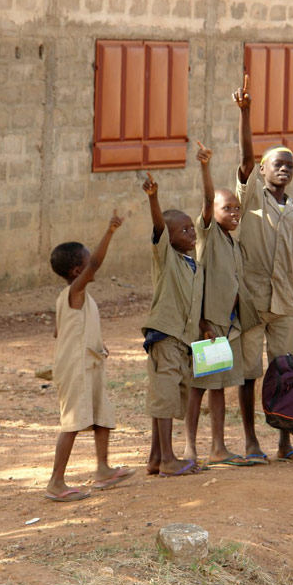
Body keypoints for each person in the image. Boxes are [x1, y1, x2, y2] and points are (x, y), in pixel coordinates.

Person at [233, 75, 293, 465]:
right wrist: (246, 112)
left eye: (289, 165)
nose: (284, 169)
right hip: (251, 301)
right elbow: (245, 156)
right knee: (249, 372)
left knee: (287, 371)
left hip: (286, 303)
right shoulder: (251, 199)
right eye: (276, 164)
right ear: (262, 171)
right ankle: (252, 441)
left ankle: (286, 442)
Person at [46, 213, 135, 502]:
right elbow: (96, 263)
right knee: (72, 423)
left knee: (101, 415)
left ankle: (103, 469)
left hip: (89, 363)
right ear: (76, 271)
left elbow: (61, 331)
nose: (93, 263)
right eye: (87, 261)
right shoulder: (75, 291)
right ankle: (56, 483)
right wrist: (110, 231)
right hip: (76, 368)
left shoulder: (73, 297)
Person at [182, 142, 259, 467]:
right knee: (198, 387)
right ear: (211, 214)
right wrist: (205, 167)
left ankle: (218, 446)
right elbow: (205, 198)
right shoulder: (209, 235)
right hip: (209, 325)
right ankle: (189, 449)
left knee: (218, 387)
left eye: (237, 208)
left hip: (230, 326)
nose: (234, 213)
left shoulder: (233, 241)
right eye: (227, 208)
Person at [141, 172, 204, 477]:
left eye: (193, 228)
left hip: (184, 339)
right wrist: (154, 197)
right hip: (165, 335)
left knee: (170, 396)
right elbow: (158, 227)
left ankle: (155, 457)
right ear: (169, 235)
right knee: (164, 396)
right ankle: (167, 458)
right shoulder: (165, 257)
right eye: (184, 230)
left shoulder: (193, 265)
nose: (192, 234)